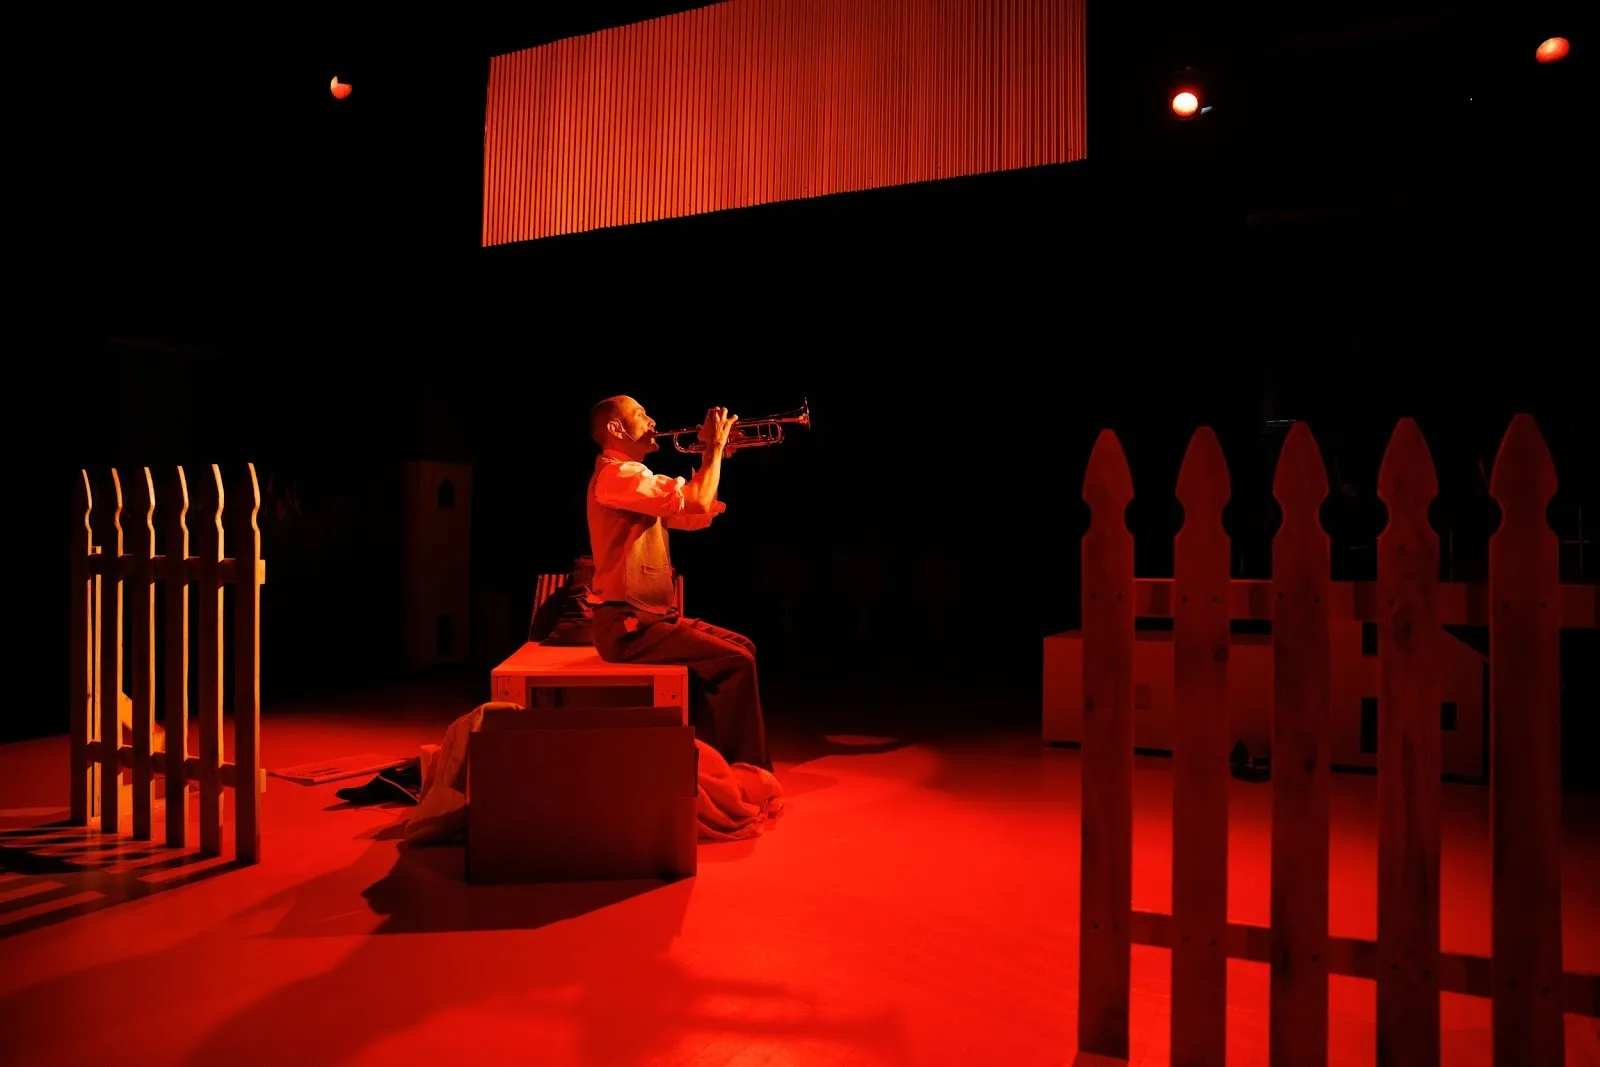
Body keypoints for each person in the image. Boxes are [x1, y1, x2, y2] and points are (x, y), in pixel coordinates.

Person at [583, 395, 771, 771]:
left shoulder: (636, 481)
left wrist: (710, 459)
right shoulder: (617, 475)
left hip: (649, 620)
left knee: (742, 647)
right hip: (627, 626)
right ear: (616, 429)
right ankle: (743, 771)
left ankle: (710, 759)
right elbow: (698, 503)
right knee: (735, 662)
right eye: (641, 414)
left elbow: (694, 514)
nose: (653, 420)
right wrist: (714, 447)